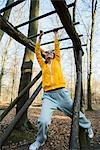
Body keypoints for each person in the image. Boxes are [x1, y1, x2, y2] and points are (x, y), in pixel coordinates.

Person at [29, 29, 94, 150]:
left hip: (62, 94)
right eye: (47, 52)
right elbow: (37, 52)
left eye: (51, 52)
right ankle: (40, 141)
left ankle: (88, 125)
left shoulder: (57, 61)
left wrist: (55, 35)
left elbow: (57, 48)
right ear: (45, 56)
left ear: (54, 55)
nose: (49, 53)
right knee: (43, 121)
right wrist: (39, 38)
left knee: (75, 113)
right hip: (48, 96)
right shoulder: (43, 65)